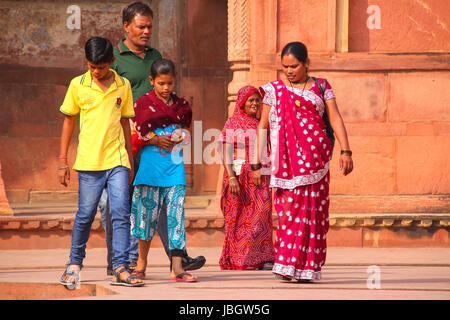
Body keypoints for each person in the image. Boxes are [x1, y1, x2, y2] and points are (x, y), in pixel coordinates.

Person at [99, 1, 205, 274]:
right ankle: (119, 260)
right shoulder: (115, 58)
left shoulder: (154, 55)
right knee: (119, 200)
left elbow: (167, 101)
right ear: (126, 26)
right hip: (124, 135)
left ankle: (176, 257)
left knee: (161, 198)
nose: (146, 32)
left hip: (158, 142)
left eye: (150, 27)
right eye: (141, 26)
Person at [252, 42, 353, 282]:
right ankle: (287, 265)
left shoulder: (322, 86)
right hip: (285, 165)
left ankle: (308, 268)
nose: (288, 71)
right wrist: (256, 164)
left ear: (306, 63)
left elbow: (335, 118)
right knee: (289, 214)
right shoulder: (273, 91)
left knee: (313, 214)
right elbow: (263, 127)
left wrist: (346, 150)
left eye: (294, 66)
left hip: (315, 161)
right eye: (285, 66)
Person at [57, 37, 143, 287]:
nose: (97, 71)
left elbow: (126, 121)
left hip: (116, 159)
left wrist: (129, 160)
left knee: (120, 213)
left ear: (112, 62)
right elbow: (68, 121)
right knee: (85, 215)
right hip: (88, 163)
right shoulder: (78, 85)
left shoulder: (122, 84)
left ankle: (120, 267)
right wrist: (62, 161)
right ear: (87, 62)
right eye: (92, 66)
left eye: (102, 67)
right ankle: (74, 264)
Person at [130, 58, 198, 282]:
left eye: (169, 83)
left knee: (177, 216)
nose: (166, 88)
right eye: (161, 83)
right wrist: (155, 140)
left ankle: (177, 268)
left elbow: (188, 133)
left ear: (174, 80)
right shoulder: (141, 104)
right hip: (150, 168)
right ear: (152, 81)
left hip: (174, 167)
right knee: (145, 217)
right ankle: (141, 265)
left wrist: (181, 137)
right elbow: (135, 135)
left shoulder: (182, 106)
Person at [218, 86, 275, 270]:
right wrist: (231, 178)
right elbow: (225, 151)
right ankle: (239, 258)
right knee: (238, 218)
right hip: (239, 177)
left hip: (260, 176)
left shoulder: (262, 123)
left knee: (262, 216)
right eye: (251, 100)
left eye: (257, 100)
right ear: (242, 102)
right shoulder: (233, 122)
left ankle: (262, 257)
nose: (255, 103)